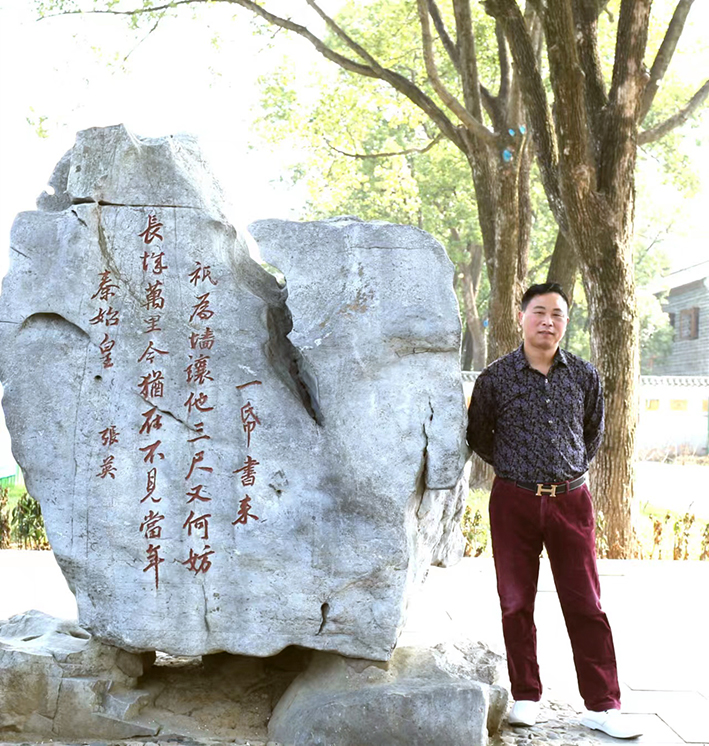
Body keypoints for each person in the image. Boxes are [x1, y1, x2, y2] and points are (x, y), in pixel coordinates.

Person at [467, 282, 642, 740]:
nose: (548, 321)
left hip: (571, 501)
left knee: (586, 603)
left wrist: (565, 473)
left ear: (566, 321)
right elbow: (479, 436)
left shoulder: (584, 375)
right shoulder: (495, 379)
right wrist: (517, 469)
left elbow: (591, 434)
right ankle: (526, 696)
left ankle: (603, 705)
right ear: (521, 317)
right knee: (515, 602)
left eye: (557, 314)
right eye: (539, 312)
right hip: (514, 502)